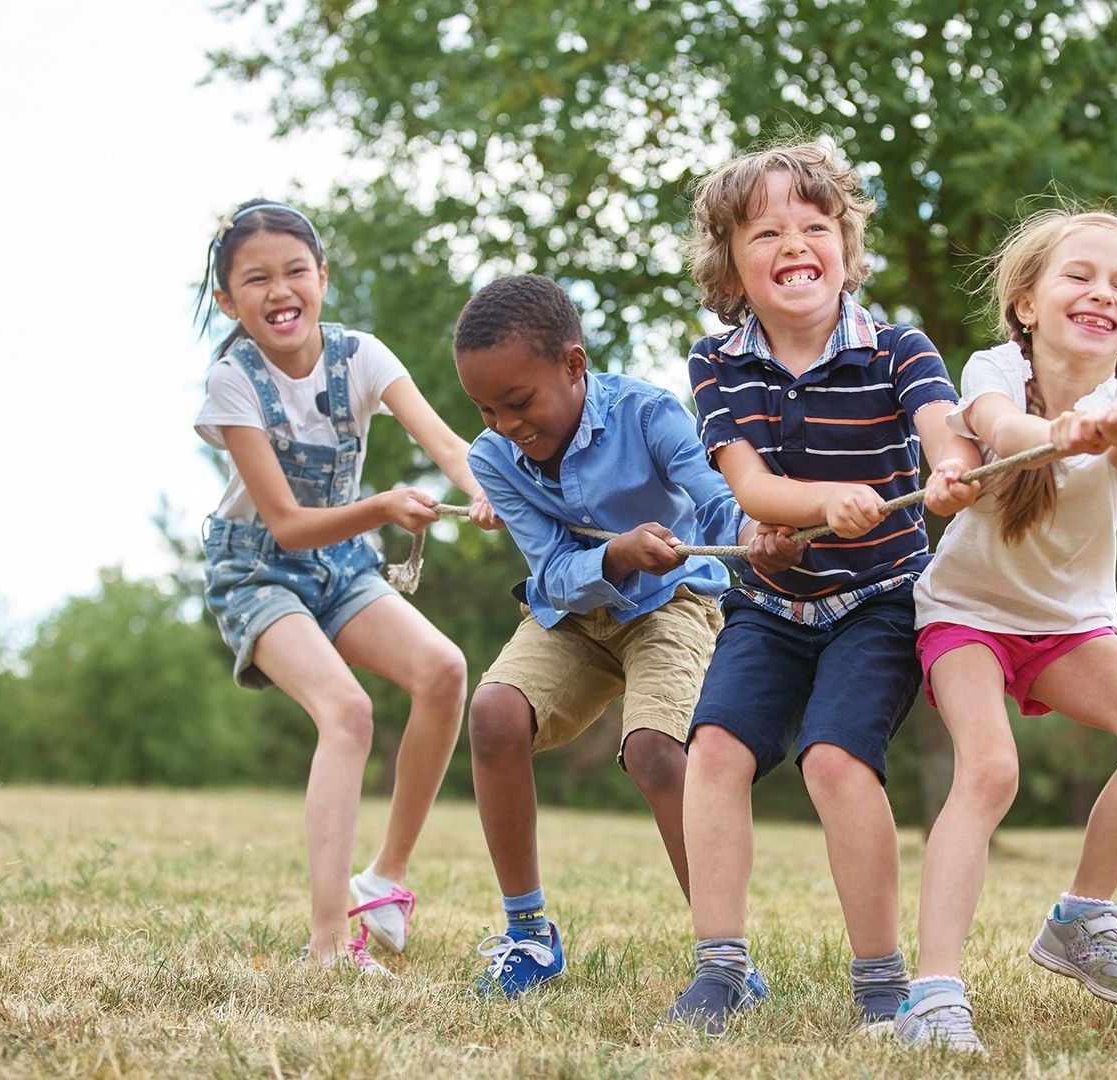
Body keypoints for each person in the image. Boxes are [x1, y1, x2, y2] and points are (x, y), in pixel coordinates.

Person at [668, 139, 982, 1036]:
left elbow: (942, 426)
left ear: (845, 246)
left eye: (814, 225)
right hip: (769, 607)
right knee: (716, 754)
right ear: (729, 263)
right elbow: (753, 487)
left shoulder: (896, 346)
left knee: (836, 761)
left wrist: (955, 467)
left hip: (878, 600)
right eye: (765, 231)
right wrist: (824, 501)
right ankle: (720, 969)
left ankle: (881, 985)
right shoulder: (716, 361)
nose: (793, 244)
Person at [902, 208, 1117, 1053]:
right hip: (966, 615)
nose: (1102, 294)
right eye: (1080, 275)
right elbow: (1001, 429)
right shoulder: (994, 367)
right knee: (991, 770)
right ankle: (931, 996)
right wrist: (1054, 434)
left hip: (1068, 629)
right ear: (1028, 302)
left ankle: (1081, 918)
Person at [452, 274, 792, 998]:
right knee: (493, 714)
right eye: (486, 408)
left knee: (656, 752)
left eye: (519, 402)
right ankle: (528, 934)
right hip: (574, 614)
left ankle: (724, 961)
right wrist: (614, 554)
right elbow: (549, 571)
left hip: (673, 604)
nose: (506, 423)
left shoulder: (650, 413)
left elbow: (716, 497)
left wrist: (756, 535)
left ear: (574, 366)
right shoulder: (492, 459)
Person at [193, 199, 497, 973]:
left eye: (295, 270)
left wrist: (485, 489)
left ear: (322, 278)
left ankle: (384, 881)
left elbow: (447, 442)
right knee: (348, 711)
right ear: (229, 300)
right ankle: (328, 942)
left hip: (341, 566)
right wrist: (386, 504)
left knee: (444, 670)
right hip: (259, 567)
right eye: (255, 279)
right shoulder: (232, 384)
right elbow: (289, 523)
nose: (279, 289)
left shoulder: (361, 356)